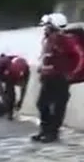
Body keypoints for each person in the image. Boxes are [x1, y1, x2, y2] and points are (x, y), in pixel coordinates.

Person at [34, 13, 84, 142]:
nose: (45, 29)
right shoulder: (48, 40)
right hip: (48, 78)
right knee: (41, 104)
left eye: (47, 26)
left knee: (58, 107)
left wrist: (71, 74)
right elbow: (46, 57)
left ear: (53, 26)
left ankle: (52, 133)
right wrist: (42, 69)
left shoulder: (67, 40)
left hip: (61, 79)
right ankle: (44, 130)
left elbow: (80, 56)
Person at [0, 54, 30, 119]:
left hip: (9, 72)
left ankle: (9, 111)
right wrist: (3, 98)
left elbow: (24, 87)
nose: (18, 85)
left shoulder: (25, 68)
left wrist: (20, 101)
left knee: (10, 92)